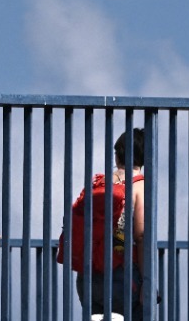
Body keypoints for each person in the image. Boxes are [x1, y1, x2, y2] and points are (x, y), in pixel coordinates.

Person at [71, 129, 144, 321]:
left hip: (87, 276)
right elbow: (142, 235)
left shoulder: (98, 183)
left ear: (117, 154)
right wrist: (147, 281)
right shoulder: (139, 186)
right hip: (123, 275)